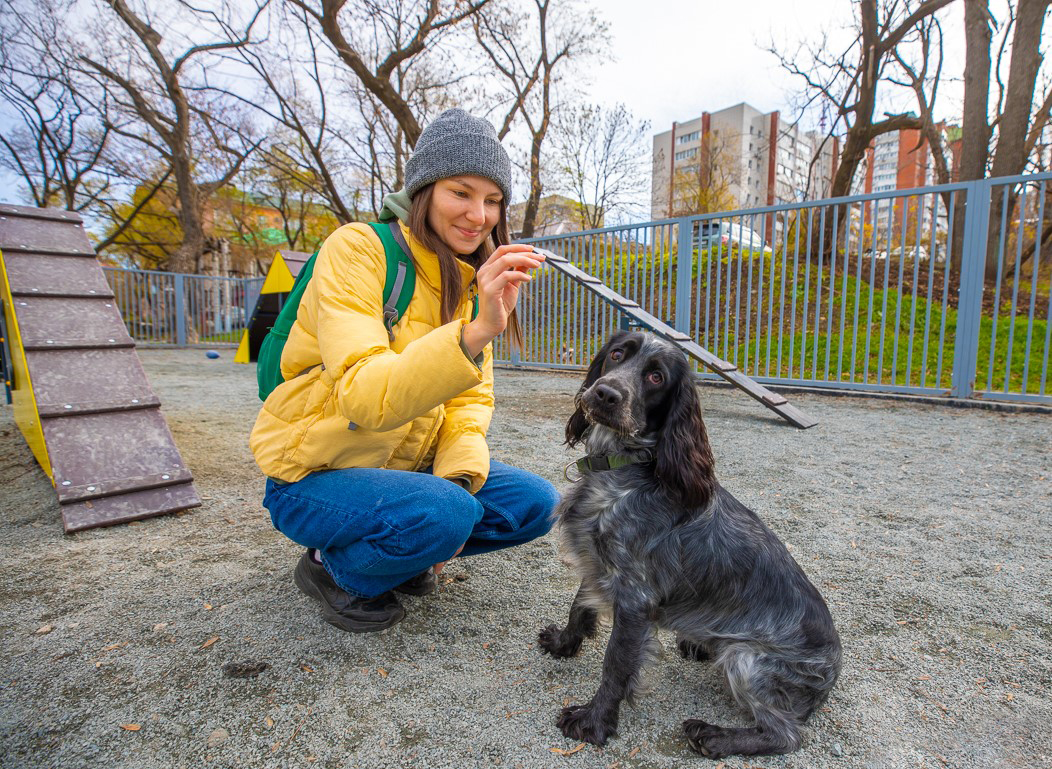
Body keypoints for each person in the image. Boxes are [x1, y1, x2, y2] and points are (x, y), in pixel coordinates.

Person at [249, 109, 558, 633]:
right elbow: (366, 397)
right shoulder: (357, 249)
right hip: (315, 474)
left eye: (492, 200)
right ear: (424, 189)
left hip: (405, 470)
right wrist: (477, 331)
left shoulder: (471, 278)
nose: (478, 215)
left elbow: (468, 406)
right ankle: (332, 569)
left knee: (537, 504)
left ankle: (409, 548)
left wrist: (457, 481)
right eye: (461, 193)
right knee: (446, 512)